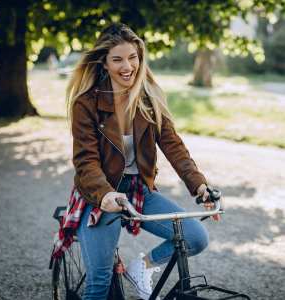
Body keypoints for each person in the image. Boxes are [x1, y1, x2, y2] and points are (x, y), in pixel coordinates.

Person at [63, 23, 219, 300]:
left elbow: (174, 146)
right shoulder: (86, 103)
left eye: (133, 57)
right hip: (100, 195)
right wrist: (105, 194)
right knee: (99, 282)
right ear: (104, 63)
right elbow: (86, 161)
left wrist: (200, 186)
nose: (127, 66)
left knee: (195, 237)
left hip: (138, 191)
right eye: (118, 59)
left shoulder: (149, 99)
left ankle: (140, 267)